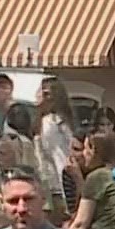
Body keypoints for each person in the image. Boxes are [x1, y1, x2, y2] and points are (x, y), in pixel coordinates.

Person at [37, 77, 83, 221]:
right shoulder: (43, 120)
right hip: (47, 180)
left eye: (47, 94)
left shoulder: (55, 121)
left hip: (59, 182)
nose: (42, 97)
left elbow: (63, 154)